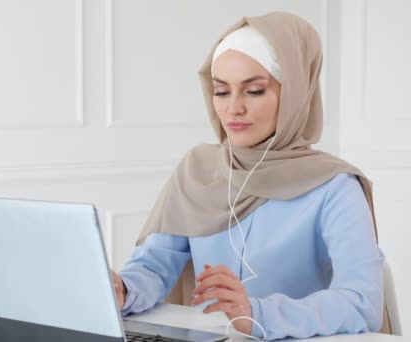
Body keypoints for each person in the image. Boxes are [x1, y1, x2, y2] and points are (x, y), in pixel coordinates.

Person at [110, 11, 385, 340]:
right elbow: (155, 265)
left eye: (254, 91)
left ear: (295, 93)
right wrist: (124, 288)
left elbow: (362, 303)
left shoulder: (335, 186)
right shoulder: (197, 169)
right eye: (221, 91)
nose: (232, 108)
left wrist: (255, 313)